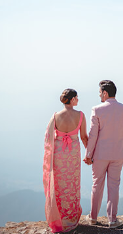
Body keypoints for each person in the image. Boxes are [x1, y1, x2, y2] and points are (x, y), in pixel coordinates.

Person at [84, 80, 123, 229]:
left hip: (100, 154)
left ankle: (93, 218)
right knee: (114, 186)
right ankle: (112, 220)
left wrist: (88, 154)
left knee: (97, 184)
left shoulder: (97, 110)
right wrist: (119, 137)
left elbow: (93, 135)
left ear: (105, 93)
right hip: (118, 153)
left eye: (100, 92)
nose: (99, 95)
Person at [43, 88, 89, 233]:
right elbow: (83, 137)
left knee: (59, 184)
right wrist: (90, 153)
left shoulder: (55, 116)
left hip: (59, 154)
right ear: (72, 99)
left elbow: (47, 138)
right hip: (73, 154)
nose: (78, 100)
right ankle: (70, 219)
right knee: (72, 184)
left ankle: (60, 218)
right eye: (77, 97)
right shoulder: (80, 115)